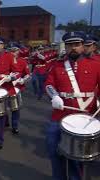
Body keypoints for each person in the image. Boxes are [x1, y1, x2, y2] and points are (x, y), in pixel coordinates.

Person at [45, 31, 100, 180]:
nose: (73, 48)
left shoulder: (97, 64)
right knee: (54, 151)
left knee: (77, 159)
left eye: (77, 44)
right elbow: (49, 84)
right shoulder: (57, 65)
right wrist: (54, 95)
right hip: (59, 116)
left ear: (83, 46)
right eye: (70, 45)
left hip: (85, 117)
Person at [8, 42, 31, 134]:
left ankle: (14, 125)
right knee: (3, 109)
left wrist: (23, 80)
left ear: (18, 51)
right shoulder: (4, 61)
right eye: (10, 51)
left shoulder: (22, 61)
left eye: (14, 51)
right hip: (5, 87)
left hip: (16, 88)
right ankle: (5, 121)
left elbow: (28, 75)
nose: (12, 53)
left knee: (15, 108)